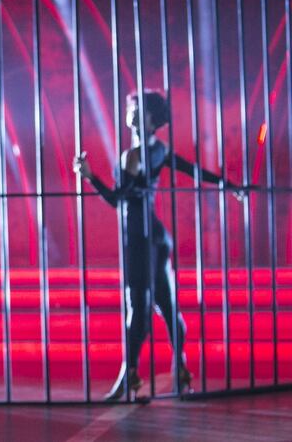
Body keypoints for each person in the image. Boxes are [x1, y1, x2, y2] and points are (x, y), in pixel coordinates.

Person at [73, 90, 243, 401]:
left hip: (140, 239)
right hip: (157, 237)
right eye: (131, 108)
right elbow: (193, 170)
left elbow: (116, 200)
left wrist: (89, 177)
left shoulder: (133, 156)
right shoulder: (158, 150)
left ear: (152, 120)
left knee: (139, 308)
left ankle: (131, 377)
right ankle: (179, 370)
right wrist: (230, 186)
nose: (132, 113)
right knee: (166, 306)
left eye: (138, 110)